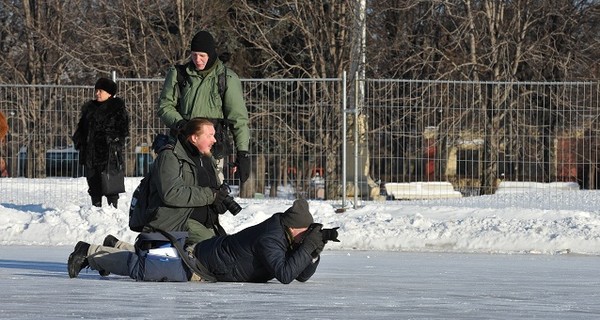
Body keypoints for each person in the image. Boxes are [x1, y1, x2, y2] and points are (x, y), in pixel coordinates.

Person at [67, 118, 233, 278]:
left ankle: (117, 247)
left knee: (204, 255)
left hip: (201, 223)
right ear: (195, 137)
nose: (214, 139)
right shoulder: (171, 157)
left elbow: (209, 191)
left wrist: (219, 199)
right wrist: (210, 195)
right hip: (175, 220)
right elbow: (171, 193)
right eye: (210, 135)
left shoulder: (206, 158)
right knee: (161, 266)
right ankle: (89, 253)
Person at [157, 30, 250, 184]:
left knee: (212, 193)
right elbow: (164, 106)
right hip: (182, 146)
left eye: (202, 56)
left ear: (211, 54)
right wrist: (181, 124)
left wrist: (243, 153)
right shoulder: (178, 75)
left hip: (212, 149)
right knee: (180, 191)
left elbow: (238, 119)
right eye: (194, 55)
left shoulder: (227, 78)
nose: (197, 60)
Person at [192, 199, 329, 284]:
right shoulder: (270, 239)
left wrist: (313, 253)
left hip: (214, 263)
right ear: (292, 228)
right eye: (305, 232)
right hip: (199, 265)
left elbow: (301, 276)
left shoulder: (286, 234)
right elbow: (285, 275)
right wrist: (307, 246)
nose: (307, 236)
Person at [72, 78, 129, 208]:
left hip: (108, 153)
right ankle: (95, 210)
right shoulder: (89, 109)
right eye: (96, 90)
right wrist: (80, 141)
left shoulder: (117, 109)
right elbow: (81, 129)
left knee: (110, 184)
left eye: (100, 91)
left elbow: (122, 131)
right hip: (90, 153)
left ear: (109, 93)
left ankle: (112, 210)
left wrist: (112, 141)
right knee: (93, 183)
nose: (97, 93)